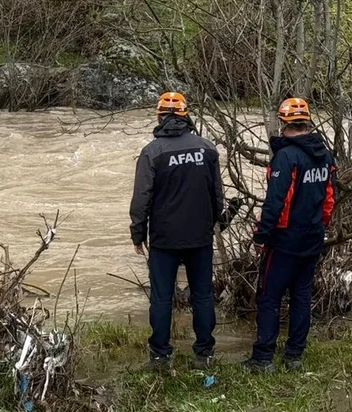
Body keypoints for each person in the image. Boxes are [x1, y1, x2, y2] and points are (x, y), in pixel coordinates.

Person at [129, 91, 227, 373]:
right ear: (185, 116)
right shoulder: (207, 148)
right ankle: (204, 353)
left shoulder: (152, 152)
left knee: (161, 297)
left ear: (160, 116)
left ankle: (160, 355)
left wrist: (138, 233)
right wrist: (214, 223)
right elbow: (216, 194)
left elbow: (141, 199)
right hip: (199, 235)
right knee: (203, 295)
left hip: (164, 238)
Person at [243, 97, 336, 374]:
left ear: (283, 123)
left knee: (269, 297)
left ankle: (263, 358)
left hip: (285, 240)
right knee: (301, 295)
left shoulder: (286, 157)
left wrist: (262, 235)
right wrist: (321, 226)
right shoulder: (324, 154)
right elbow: (329, 199)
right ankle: (294, 354)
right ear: (307, 122)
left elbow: (277, 201)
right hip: (313, 236)